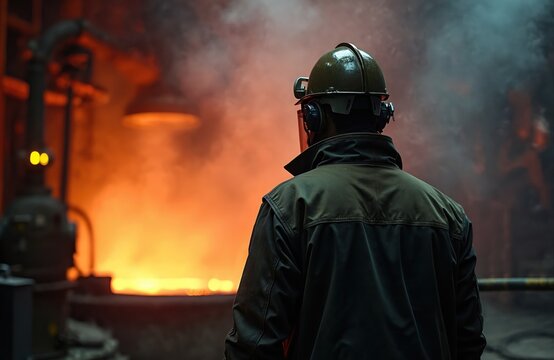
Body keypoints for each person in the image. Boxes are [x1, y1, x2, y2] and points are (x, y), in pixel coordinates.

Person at [224, 43, 486, 359]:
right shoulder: (447, 214)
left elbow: (254, 344)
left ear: (313, 116)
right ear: (383, 116)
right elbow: (468, 340)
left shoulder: (290, 206)